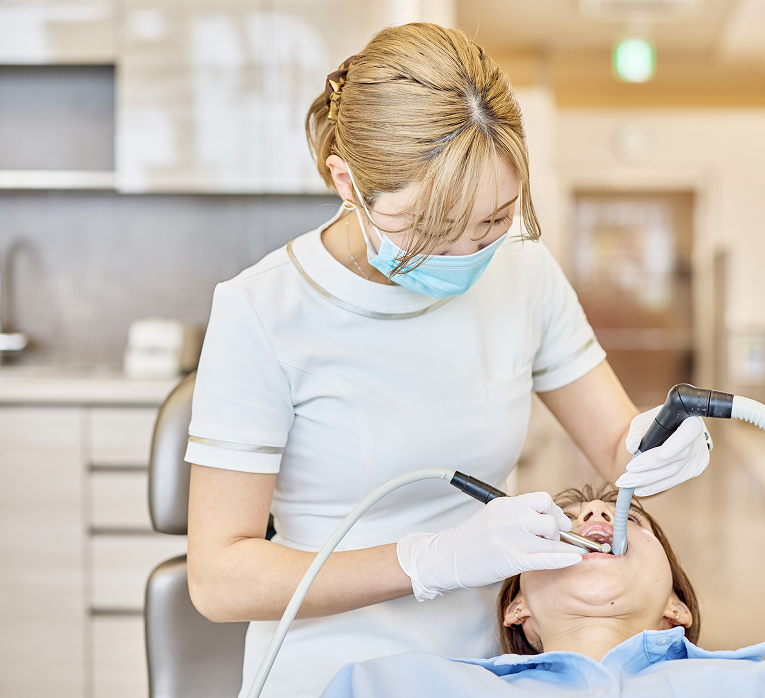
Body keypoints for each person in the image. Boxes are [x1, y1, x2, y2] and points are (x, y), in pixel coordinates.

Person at [183, 22, 713, 698]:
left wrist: (659, 443)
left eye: (493, 221)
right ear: (348, 183)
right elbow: (219, 581)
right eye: (432, 231)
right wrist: (428, 562)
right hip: (331, 673)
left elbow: (617, 446)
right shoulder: (262, 311)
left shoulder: (524, 272)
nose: (467, 254)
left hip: (495, 668)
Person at [319, 486, 765, 697]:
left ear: (676, 606)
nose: (599, 516)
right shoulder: (392, 686)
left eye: (631, 521)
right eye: (566, 523)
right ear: (517, 608)